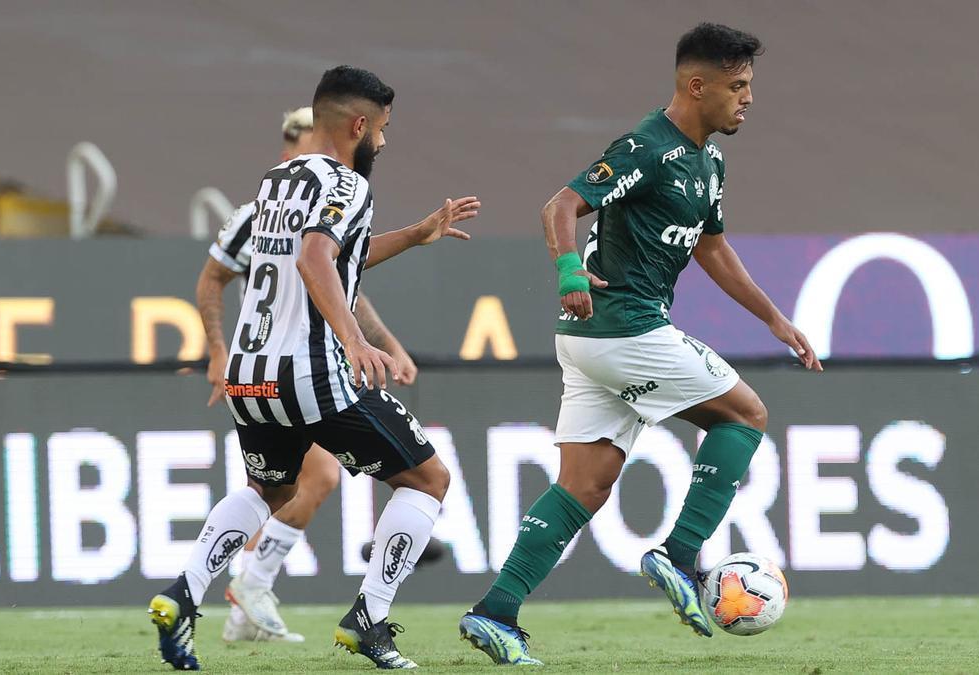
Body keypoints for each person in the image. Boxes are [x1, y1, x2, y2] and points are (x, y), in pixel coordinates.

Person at [459, 23, 822, 665]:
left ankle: (497, 611)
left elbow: (711, 248)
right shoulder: (646, 146)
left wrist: (774, 319)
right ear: (696, 84)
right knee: (745, 415)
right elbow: (561, 206)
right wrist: (569, 271)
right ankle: (680, 555)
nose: (748, 98)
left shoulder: (709, 161)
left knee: (585, 485)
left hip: (591, 343)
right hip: (621, 326)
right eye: (737, 86)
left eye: (750, 86)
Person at [149, 64, 479, 670]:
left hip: (249, 374)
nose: (384, 141)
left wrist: (415, 234)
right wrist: (354, 340)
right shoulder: (348, 184)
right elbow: (314, 258)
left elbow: (336, 255)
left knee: (270, 487)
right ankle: (369, 620)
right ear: (359, 124)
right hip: (309, 372)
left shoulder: (273, 184)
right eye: (382, 128)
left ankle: (182, 596)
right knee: (427, 481)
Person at [197, 105, 439, 644]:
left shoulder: (325, 203)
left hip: (312, 366)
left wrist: (388, 344)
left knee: (288, 485)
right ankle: (250, 584)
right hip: (283, 368)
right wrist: (217, 350)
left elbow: (345, 280)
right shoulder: (260, 209)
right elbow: (213, 279)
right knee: (303, 482)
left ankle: (233, 599)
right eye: (295, 139)